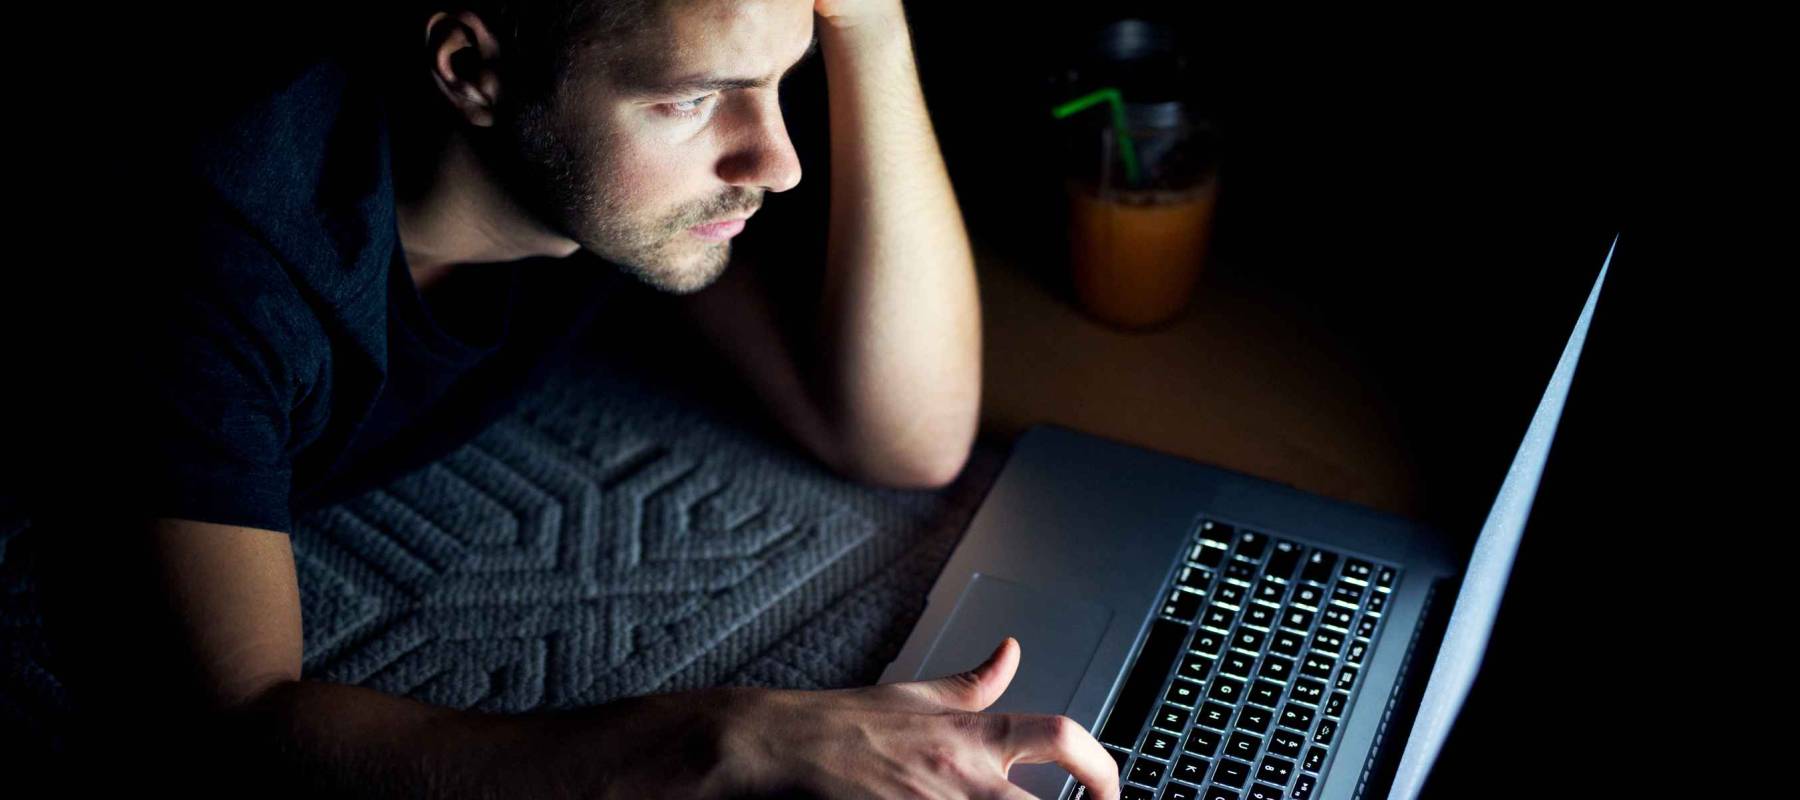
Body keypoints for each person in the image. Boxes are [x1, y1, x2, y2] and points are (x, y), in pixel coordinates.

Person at [20, 1, 1120, 797]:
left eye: (782, 78)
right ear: (473, 69)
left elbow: (907, 435)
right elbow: (230, 733)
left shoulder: (607, 184)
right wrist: (722, 741)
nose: (777, 160)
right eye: (694, 99)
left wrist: (869, 30)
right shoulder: (213, 255)